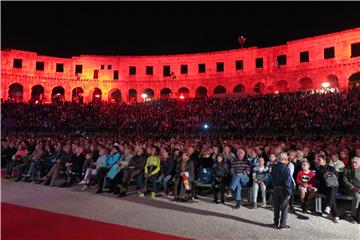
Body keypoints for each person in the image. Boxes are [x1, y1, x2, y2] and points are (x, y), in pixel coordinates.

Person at [315, 155, 340, 223]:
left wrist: (329, 175)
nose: (318, 161)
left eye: (319, 160)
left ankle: (329, 208)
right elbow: (317, 180)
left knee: (331, 191)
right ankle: (335, 214)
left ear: (324, 161)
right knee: (331, 195)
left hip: (334, 186)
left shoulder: (331, 168)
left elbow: (337, 177)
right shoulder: (318, 169)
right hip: (324, 187)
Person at [271, 152, 293, 230]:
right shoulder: (286, 169)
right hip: (283, 190)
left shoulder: (273, 167)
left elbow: (272, 178)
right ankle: (282, 224)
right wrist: (289, 192)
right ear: (286, 159)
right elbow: (288, 181)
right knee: (284, 208)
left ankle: (275, 223)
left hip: (275, 188)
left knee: (276, 207)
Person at [343, 157, 360, 224]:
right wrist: (352, 188)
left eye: (356, 163)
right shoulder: (347, 169)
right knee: (357, 196)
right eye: (353, 163)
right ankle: (353, 216)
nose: (354, 164)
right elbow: (345, 180)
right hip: (351, 189)